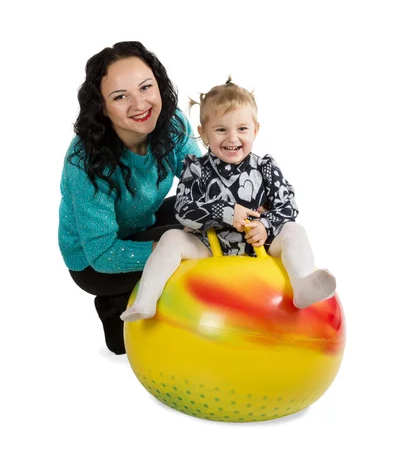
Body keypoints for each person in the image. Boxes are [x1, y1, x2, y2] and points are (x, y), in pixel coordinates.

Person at [120, 79, 336, 322]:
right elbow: (182, 209)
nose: (232, 138)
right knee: (171, 238)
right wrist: (226, 212)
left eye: (242, 129)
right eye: (221, 130)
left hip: (260, 247)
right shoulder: (197, 169)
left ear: (255, 130)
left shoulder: (264, 167)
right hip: (210, 247)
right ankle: (146, 300)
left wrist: (265, 225)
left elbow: (288, 207)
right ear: (203, 133)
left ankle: (302, 283)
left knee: (295, 230)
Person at [58, 41, 201, 354]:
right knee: (188, 241)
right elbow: (101, 252)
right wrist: (170, 248)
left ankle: (144, 291)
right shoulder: (85, 160)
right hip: (95, 262)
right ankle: (114, 301)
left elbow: (200, 187)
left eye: (146, 87)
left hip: (139, 221)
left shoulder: (173, 123)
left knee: (208, 223)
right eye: (120, 96)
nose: (139, 104)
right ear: (102, 107)